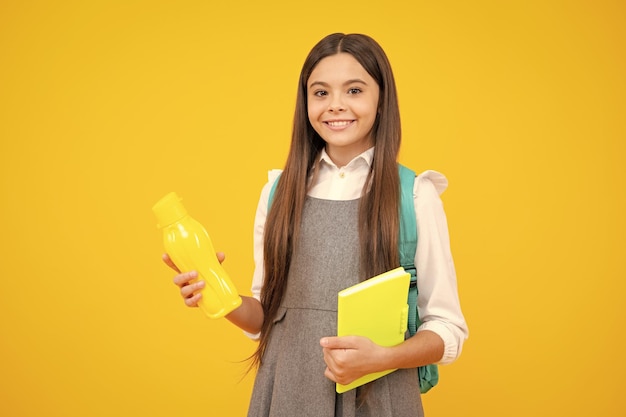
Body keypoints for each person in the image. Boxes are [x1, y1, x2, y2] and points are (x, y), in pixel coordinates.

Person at [163, 33, 468, 417]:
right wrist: (217, 294)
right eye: (320, 93)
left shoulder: (415, 196)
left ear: (381, 98)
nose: (336, 105)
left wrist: (382, 357)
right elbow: (264, 319)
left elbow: (447, 329)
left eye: (354, 90)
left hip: (381, 398)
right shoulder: (278, 191)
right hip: (287, 392)